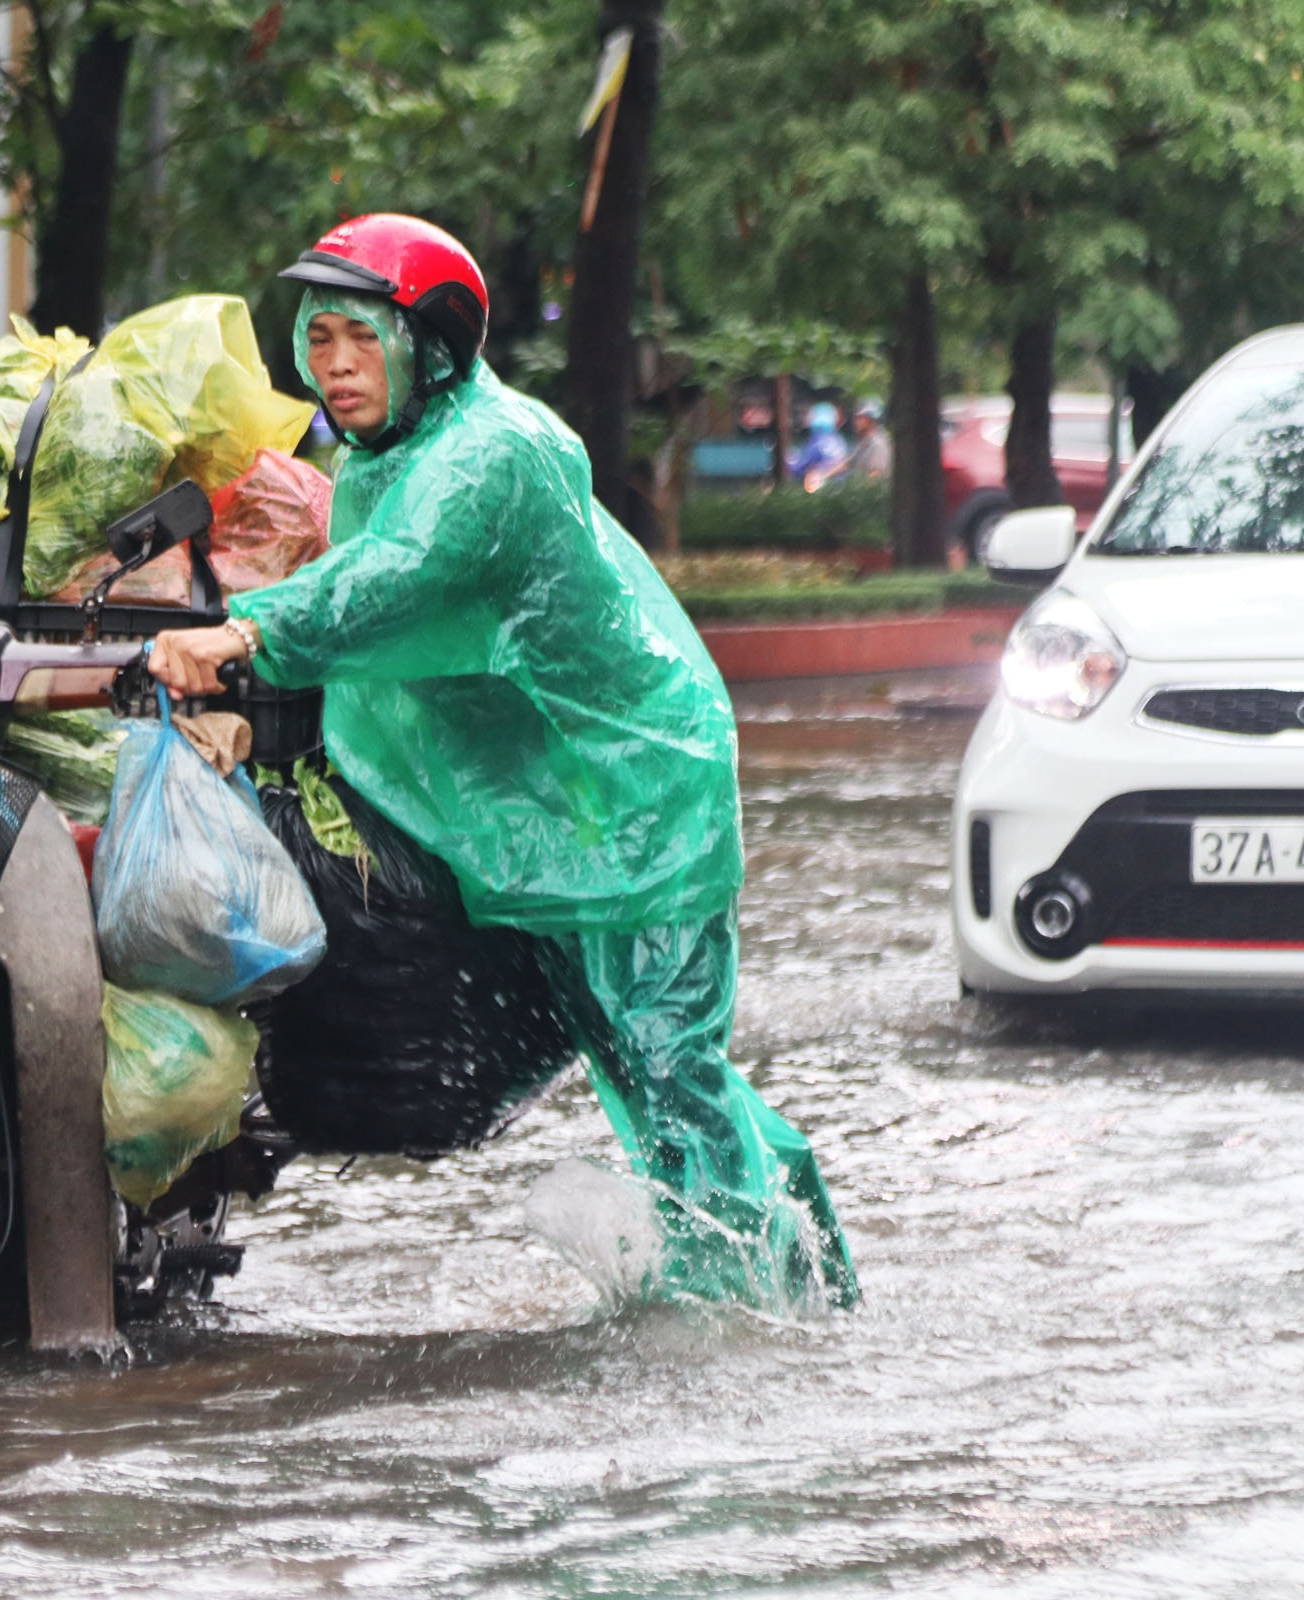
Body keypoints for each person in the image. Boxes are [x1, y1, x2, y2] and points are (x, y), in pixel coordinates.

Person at [149, 214, 858, 1312]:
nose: (333, 365)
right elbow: (394, 556)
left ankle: (748, 1311)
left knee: (670, 1064)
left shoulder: (497, 451)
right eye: (318, 337)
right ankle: (788, 1264)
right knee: (641, 1068)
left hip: (629, 796)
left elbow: (407, 576)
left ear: (427, 345)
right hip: (550, 814)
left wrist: (246, 633)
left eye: (358, 339)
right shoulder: (394, 456)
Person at [789, 401, 851, 488]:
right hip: (839, 489)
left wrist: (789, 461)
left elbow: (801, 466)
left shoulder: (818, 439)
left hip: (822, 490)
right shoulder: (839, 439)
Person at [839, 399, 893, 484]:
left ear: (870, 420)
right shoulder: (864, 441)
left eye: (860, 417)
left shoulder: (878, 445)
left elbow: (874, 479)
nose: (855, 421)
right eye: (855, 417)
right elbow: (848, 464)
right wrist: (822, 475)